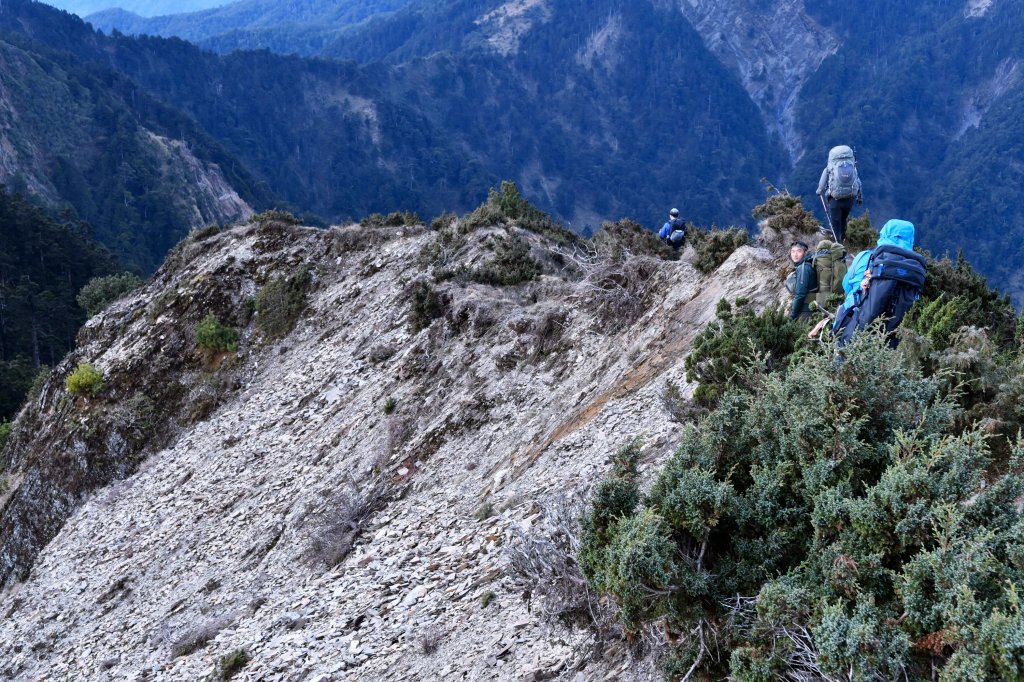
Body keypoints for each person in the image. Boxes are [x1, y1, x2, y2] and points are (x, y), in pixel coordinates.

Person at [816, 145, 863, 243]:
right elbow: (858, 182)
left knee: (835, 222)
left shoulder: (829, 168)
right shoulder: (852, 167)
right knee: (843, 219)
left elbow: (821, 185)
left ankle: (837, 242)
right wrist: (859, 197)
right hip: (849, 198)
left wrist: (819, 190)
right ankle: (843, 237)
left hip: (835, 199)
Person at [787, 240, 817, 321]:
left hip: (807, 306)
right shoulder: (806, 264)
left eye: (799, 251)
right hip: (811, 304)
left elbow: (800, 294)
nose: (795, 254)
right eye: (793, 251)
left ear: (805, 252)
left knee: (802, 331)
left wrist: (793, 315)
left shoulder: (804, 268)